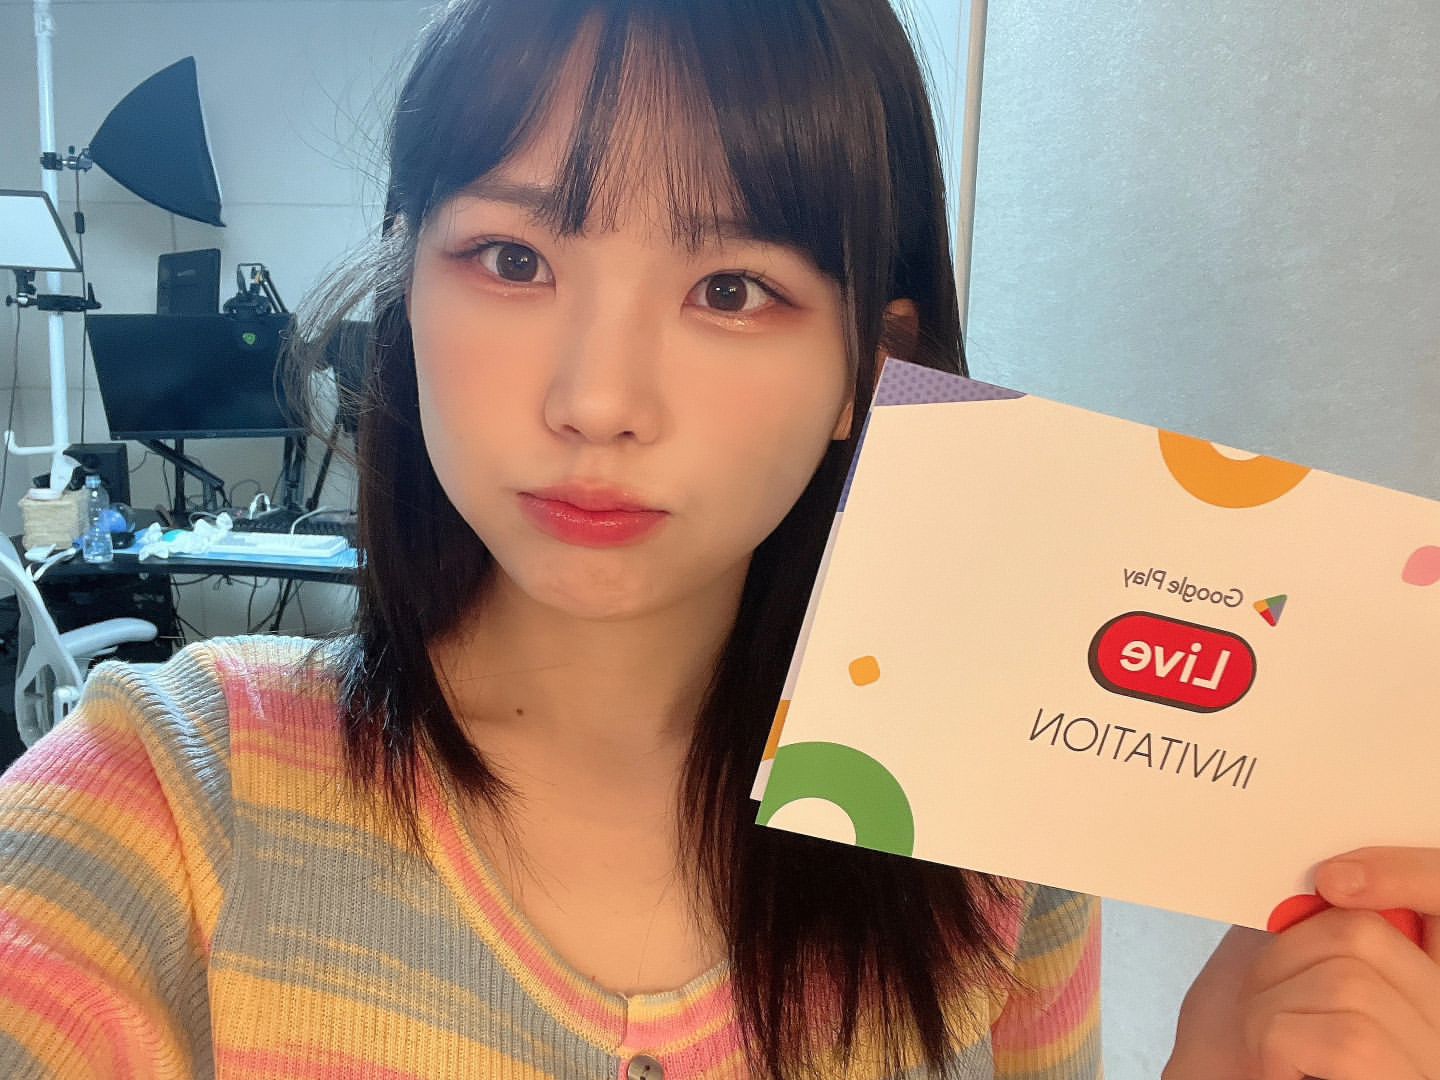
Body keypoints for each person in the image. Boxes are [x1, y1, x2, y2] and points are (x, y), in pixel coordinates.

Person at [0, 3, 1433, 1080]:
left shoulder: (991, 843)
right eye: (513, 258)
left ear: (867, 372)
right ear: (408, 292)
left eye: (733, 288)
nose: (597, 400)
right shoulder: (165, 805)